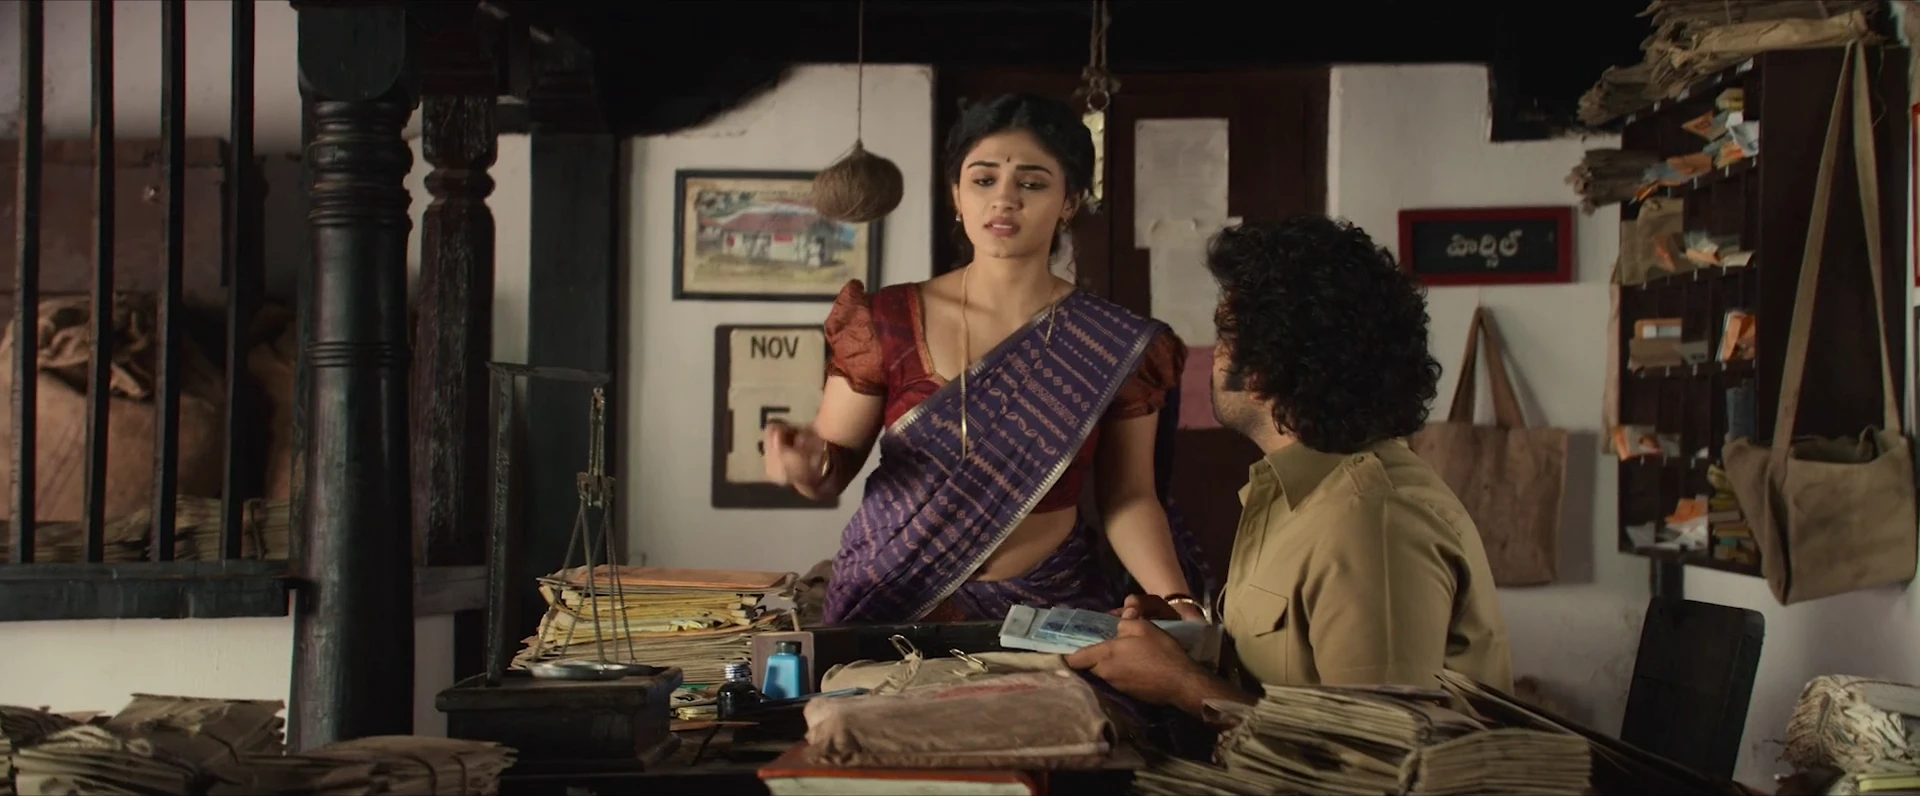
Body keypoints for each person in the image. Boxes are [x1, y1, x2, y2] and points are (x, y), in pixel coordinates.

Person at [763, 93, 1207, 625]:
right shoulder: (886, 321)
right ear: (957, 195)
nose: (1004, 199)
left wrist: (1178, 603)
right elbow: (829, 472)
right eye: (983, 179)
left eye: (1032, 183)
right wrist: (804, 465)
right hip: (891, 600)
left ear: (1069, 202)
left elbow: (1129, 499)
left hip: (1048, 608)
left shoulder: (1112, 343)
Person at [1066, 216, 1514, 715]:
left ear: (1262, 370)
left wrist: (1183, 685)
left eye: (1225, 335)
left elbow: (1377, 753)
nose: (1214, 356)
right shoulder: (1290, 491)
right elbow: (1281, 681)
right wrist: (1187, 645)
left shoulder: (1372, 523)